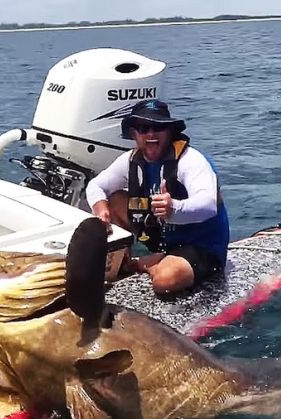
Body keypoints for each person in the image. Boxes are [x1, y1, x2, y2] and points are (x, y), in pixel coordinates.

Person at [86, 99, 230, 294]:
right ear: (134, 134)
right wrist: (100, 210)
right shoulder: (130, 160)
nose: (151, 134)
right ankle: (128, 262)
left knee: (164, 281)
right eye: (144, 128)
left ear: (170, 132)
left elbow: (209, 204)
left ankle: (153, 265)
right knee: (113, 199)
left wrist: (174, 208)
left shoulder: (191, 160)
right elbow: (96, 185)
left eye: (158, 127)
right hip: (164, 240)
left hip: (202, 247)